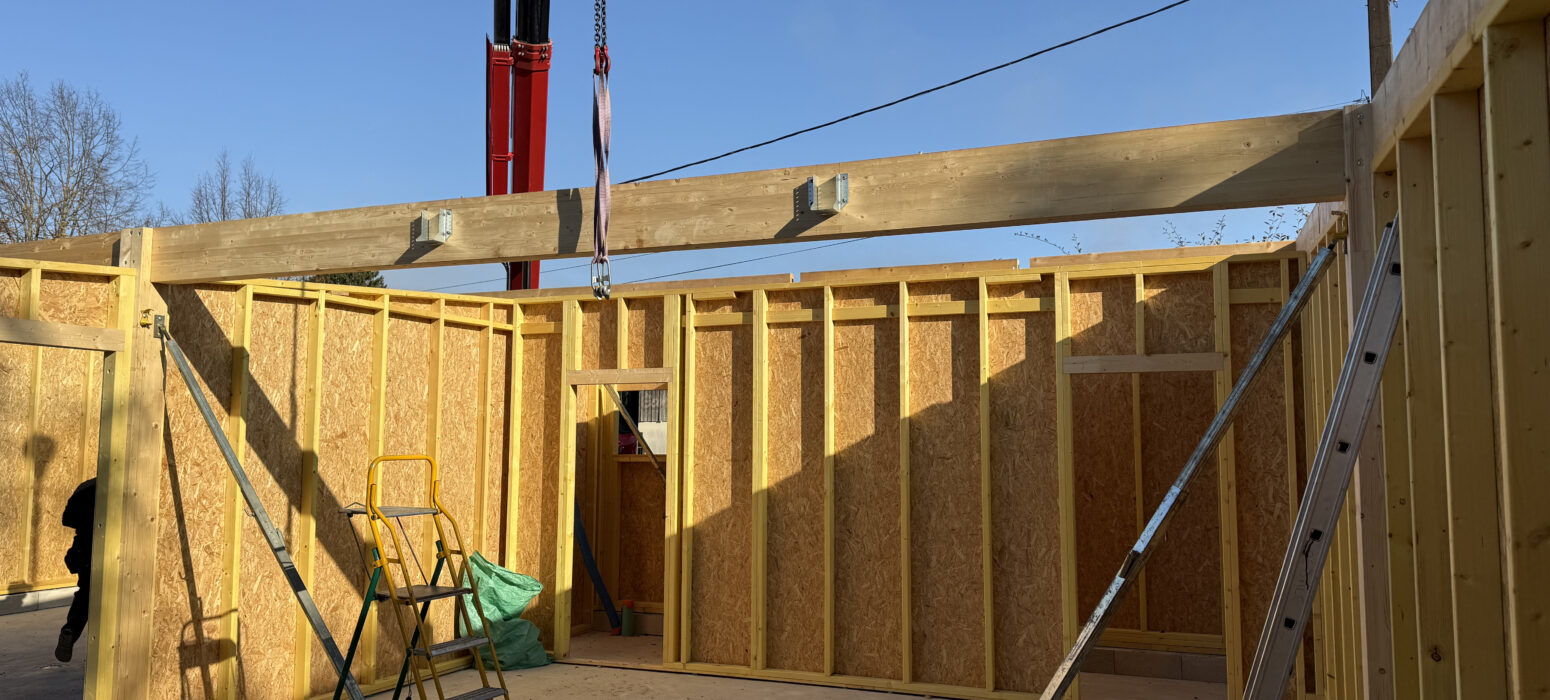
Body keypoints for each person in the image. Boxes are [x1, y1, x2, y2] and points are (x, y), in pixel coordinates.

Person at [55, 477, 95, 663]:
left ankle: (71, 629)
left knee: (86, 593)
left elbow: (67, 519)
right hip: (109, 549)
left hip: (83, 549)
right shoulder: (118, 489)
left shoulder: (85, 486)